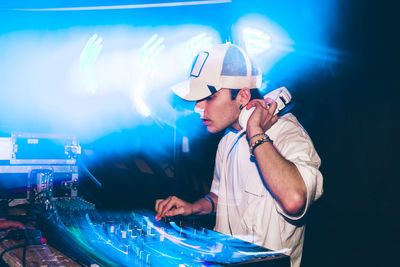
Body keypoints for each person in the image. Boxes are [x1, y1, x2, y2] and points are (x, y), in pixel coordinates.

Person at [155, 43, 323, 267]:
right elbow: (222, 197)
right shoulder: (227, 140)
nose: (198, 107)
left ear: (243, 95)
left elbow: (294, 200)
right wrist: (194, 207)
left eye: (209, 97)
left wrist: (255, 132)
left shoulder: (290, 136)